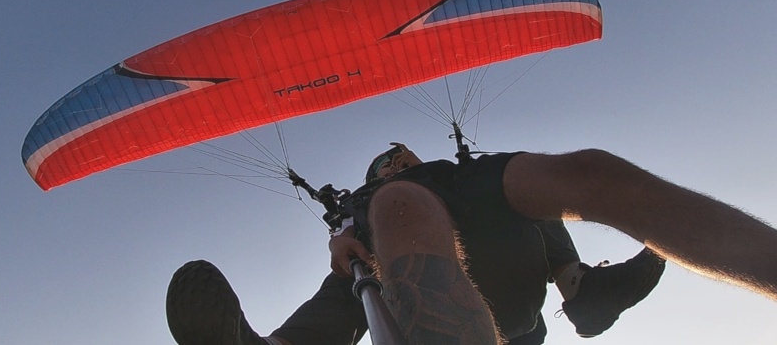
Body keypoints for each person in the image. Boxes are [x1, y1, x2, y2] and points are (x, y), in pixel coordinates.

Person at [166, 144, 668, 344]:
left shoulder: (463, 175)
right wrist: (344, 238)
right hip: (411, 287)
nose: (400, 162)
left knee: (518, 192)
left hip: (506, 277)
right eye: (390, 162)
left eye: (405, 156)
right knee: (353, 276)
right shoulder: (367, 207)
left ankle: (578, 286)